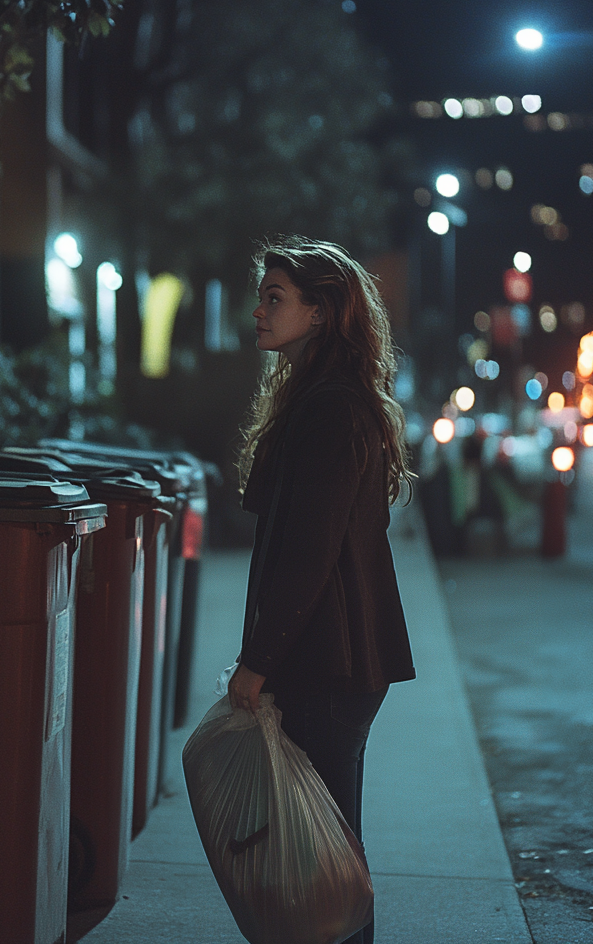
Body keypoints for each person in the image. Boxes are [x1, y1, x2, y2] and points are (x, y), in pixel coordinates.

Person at [227, 234, 416, 944]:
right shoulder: (320, 400)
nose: (258, 310)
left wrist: (258, 661)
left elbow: (306, 555)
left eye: (275, 298)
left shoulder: (332, 409)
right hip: (329, 661)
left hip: (326, 665)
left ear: (320, 312)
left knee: (328, 859)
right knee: (326, 851)